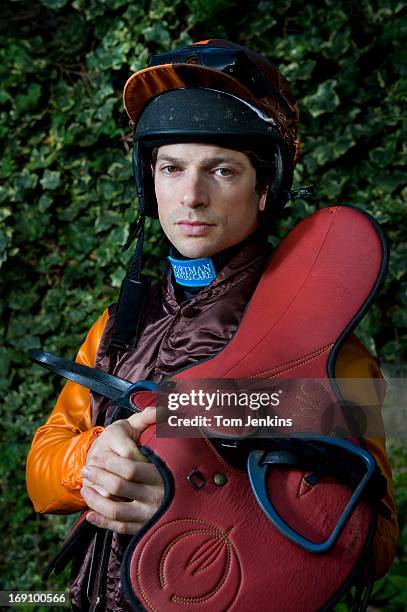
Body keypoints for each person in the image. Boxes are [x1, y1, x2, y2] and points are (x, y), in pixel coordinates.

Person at [26, 40, 398, 611]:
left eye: (222, 170)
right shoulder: (119, 323)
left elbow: (374, 542)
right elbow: (42, 466)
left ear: (265, 186)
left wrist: (194, 502)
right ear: (150, 183)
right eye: (172, 168)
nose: (191, 196)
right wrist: (96, 459)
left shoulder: (328, 344)